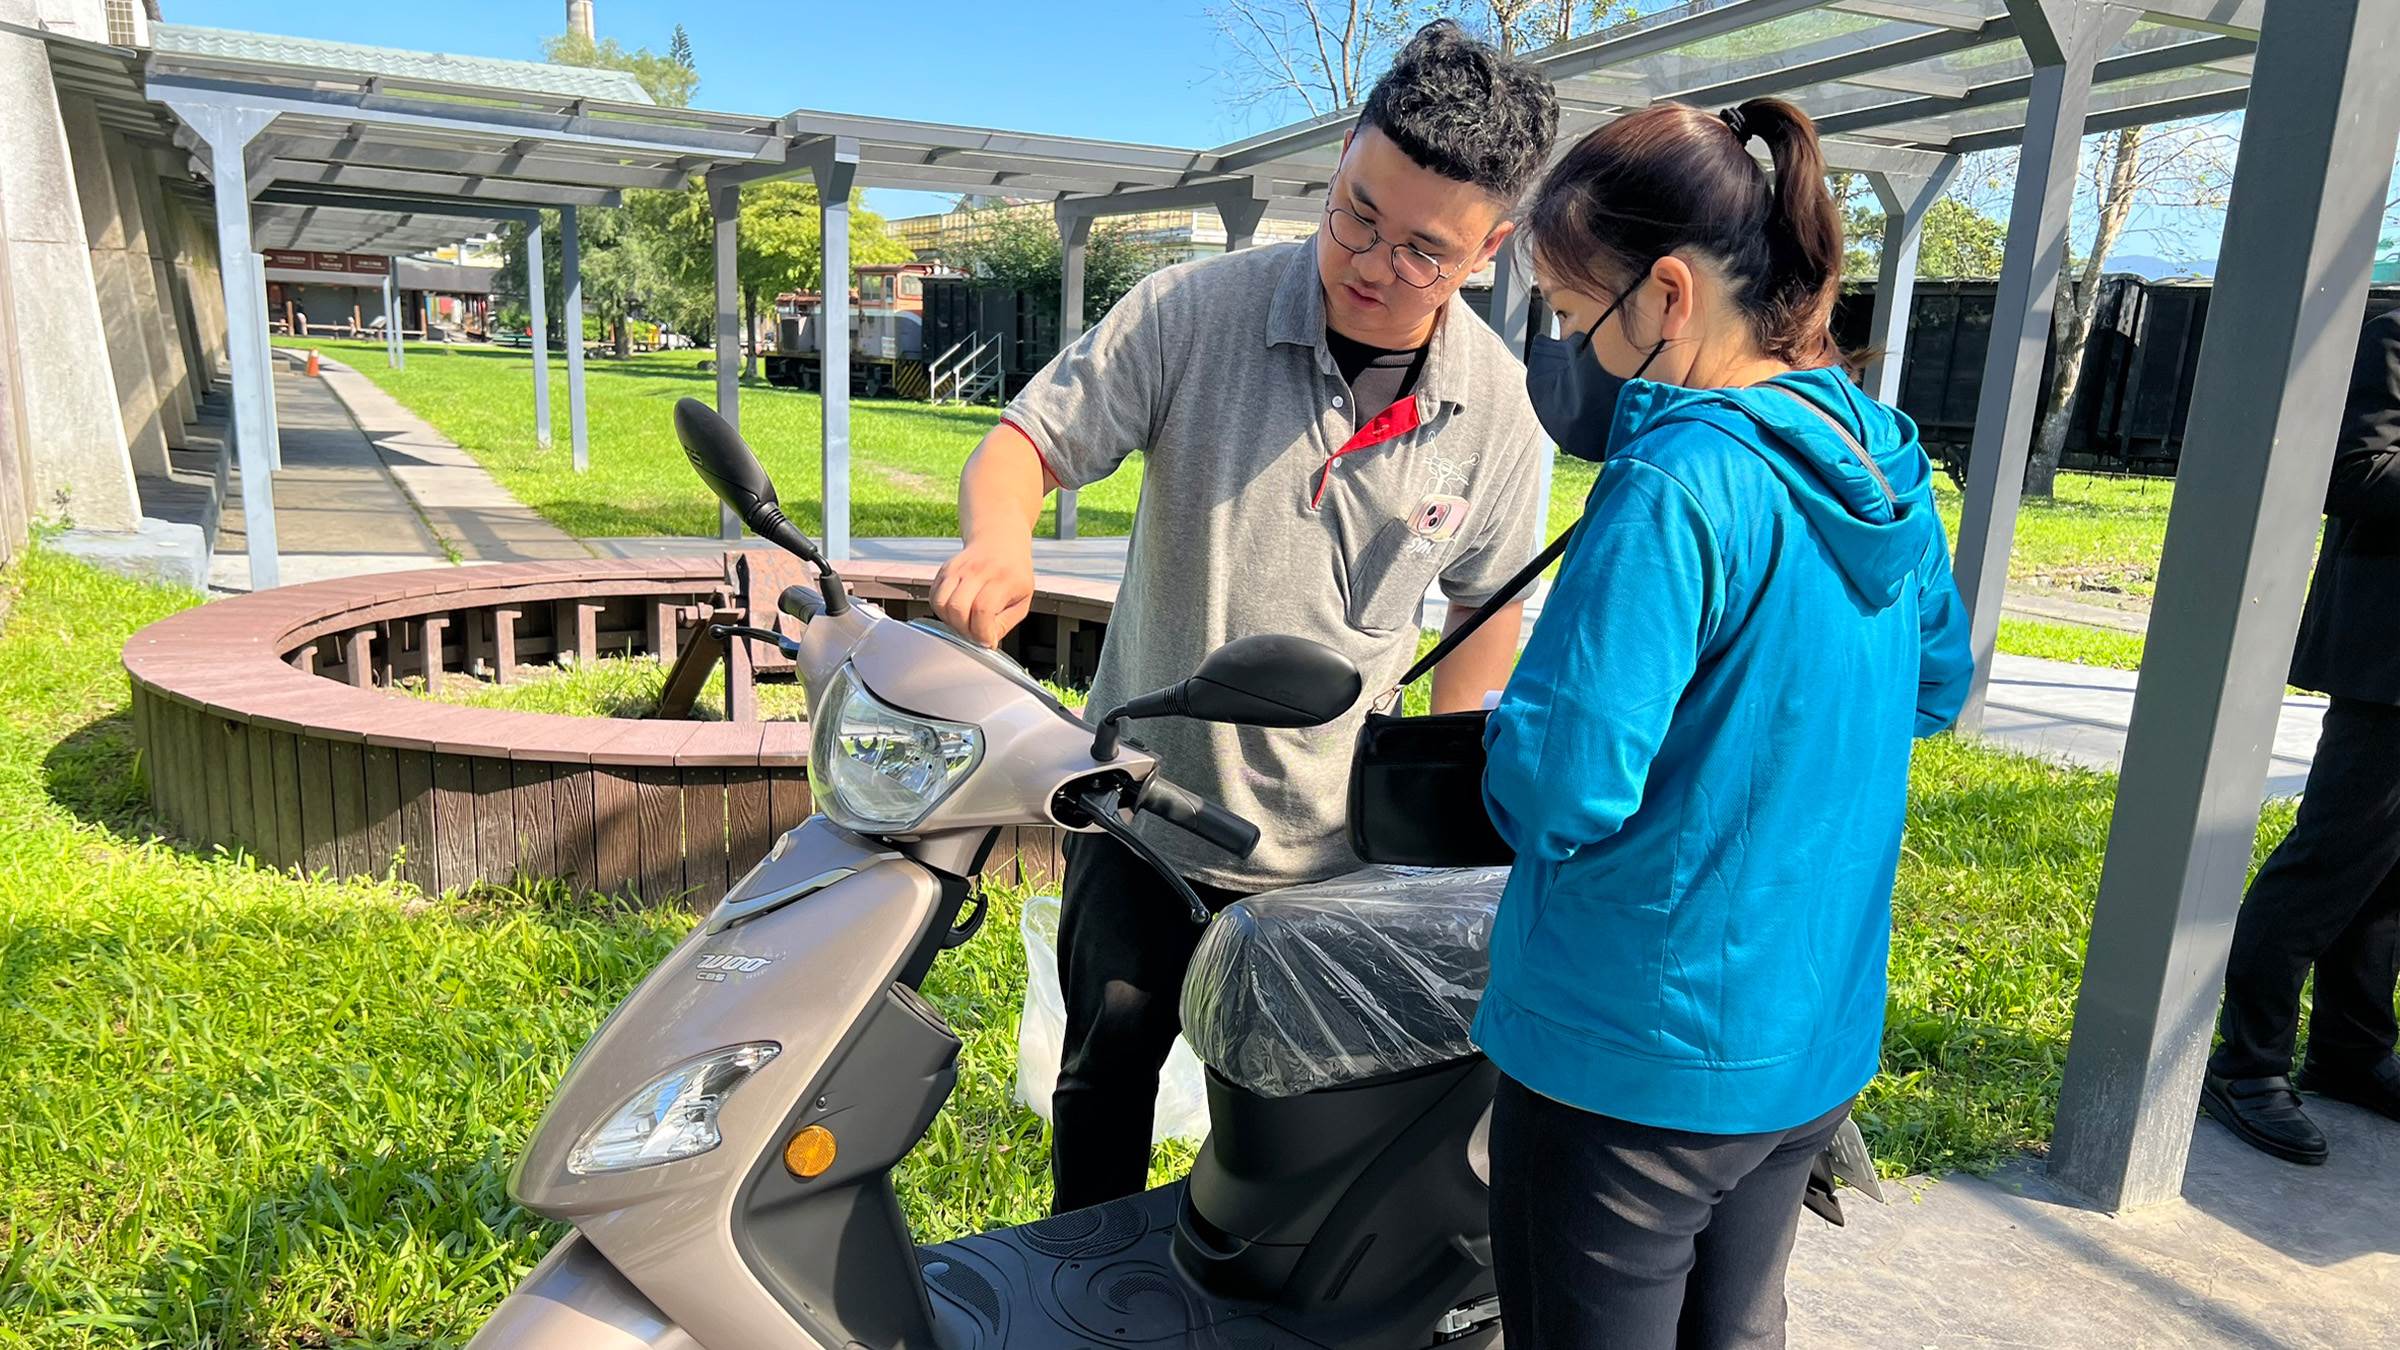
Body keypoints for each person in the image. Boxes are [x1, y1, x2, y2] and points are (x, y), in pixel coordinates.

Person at [930, 21, 1559, 1215]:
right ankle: (1085, 1285)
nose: (1372, 262)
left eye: (1423, 250)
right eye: (1354, 213)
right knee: (1101, 1085)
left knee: (1286, 1132)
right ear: (1340, 166)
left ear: (1492, 247)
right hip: (1144, 815)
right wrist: (999, 537)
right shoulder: (1195, 312)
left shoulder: (1498, 415)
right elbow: (1025, 443)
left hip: (1333, 858)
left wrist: (1454, 802)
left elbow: (1483, 612)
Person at [1478, 99, 1974, 1348]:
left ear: (1668, 295)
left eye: (1567, 307)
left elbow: (1560, 784)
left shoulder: (1674, 480)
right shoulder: (1882, 455)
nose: (1564, 343)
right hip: (1807, 1036)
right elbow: (1935, 687)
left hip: (1626, 1054)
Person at [2199, 311, 2400, 1166]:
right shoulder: (2393, 326)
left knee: (2390, 877)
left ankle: (2352, 1053)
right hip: (2387, 658)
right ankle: (2245, 1066)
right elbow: (2355, 468)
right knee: (2329, 865)